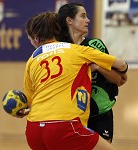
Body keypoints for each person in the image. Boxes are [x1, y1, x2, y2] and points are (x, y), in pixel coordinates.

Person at [20, 11, 128, 150]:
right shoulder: (77, 50)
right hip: (65, 125)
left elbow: (29, 102)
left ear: (35, 38)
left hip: (34, 130)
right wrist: (123, 71)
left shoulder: (32, 59)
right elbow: (120, 64)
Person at [58, 2, 127, 143]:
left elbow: (119, 80)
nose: (88, 20)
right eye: (83, 16)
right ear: (69, 20)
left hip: (100, 115)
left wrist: (97, 67)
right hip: (71, 117)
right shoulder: (60, 49)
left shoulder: (94, 46)